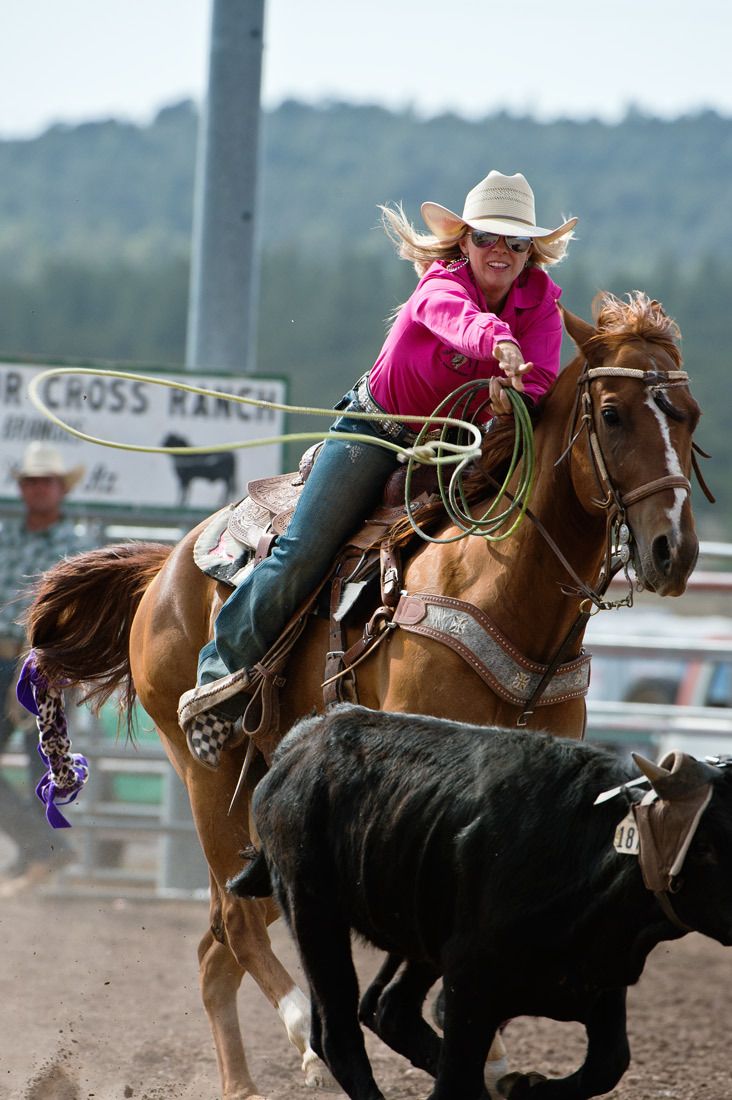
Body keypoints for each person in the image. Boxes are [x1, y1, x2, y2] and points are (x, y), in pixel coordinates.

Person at [179, 170, 578, 768]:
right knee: (304, 549)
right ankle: (218, 678)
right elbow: (454, 318)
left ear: (530, 253)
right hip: (379, 431)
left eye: (515, 243)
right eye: (488, 238)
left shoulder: (542, 303)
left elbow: (542, 379)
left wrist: (515, 400)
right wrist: (497, 342)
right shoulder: (440, 285)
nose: (501, 251)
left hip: (466, 448)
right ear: (463, 242)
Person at [0, 441, 96, 894]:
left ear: (59, 489)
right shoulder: (6, 536)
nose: (38, 488)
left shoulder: (76, 547)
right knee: (39, 759)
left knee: (41, 760)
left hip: (44, 664)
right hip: (3, 658)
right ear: (22, 488)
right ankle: (42, 850)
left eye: (46, 482)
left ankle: (37, 854)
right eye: (31, 481)